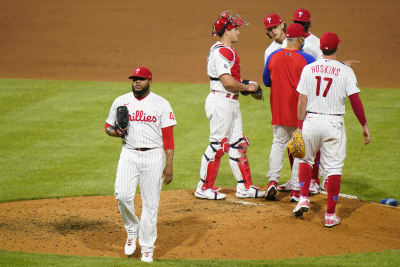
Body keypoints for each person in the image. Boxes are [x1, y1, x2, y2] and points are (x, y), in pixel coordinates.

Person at [293, 32, 371, 227]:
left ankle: (303, 198)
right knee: (334, 168)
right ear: (338, 48)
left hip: (311, 120)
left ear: (321, 49)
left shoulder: (308, 69)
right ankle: (329, 215)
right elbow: (355, 101)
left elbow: (302, 101)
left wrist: (299, 128)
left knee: (305, 159)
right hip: (334, 124)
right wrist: (364, 125)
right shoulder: (345, 71)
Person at [105, 67, 177, 262]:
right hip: (129, 153)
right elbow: (108, 127)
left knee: (150, 204)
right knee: (122, 194)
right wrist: (117, 132)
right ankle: (131, 229)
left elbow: (168, 139)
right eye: (134, 79)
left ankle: (147, 248)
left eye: (141, 79)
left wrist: (169, 164)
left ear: (149, 81)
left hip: (154, 156)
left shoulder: (161, 104)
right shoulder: (121, 101)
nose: (137, 82)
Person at [194, 10, 265, 200]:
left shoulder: (223, 50)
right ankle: (203, 187)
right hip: (221, 102)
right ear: (227, 31)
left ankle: (244, 188)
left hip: (229, 101)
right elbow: (227, 82)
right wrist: (247, 88)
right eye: (235, 28)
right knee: (218, 145)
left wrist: (246, 85)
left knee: (238, 145)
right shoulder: (222, 51)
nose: (239, 32)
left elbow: (230, 81)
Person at [263, 13, 323, 200]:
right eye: (302, 39)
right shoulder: (308, 60)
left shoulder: (272, 56)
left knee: (278, 144)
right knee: (300, 148)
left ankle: (272, 181)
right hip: (299, 113)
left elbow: (266, 81)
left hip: (279, 110)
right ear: (297, 39)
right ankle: (297, 189)